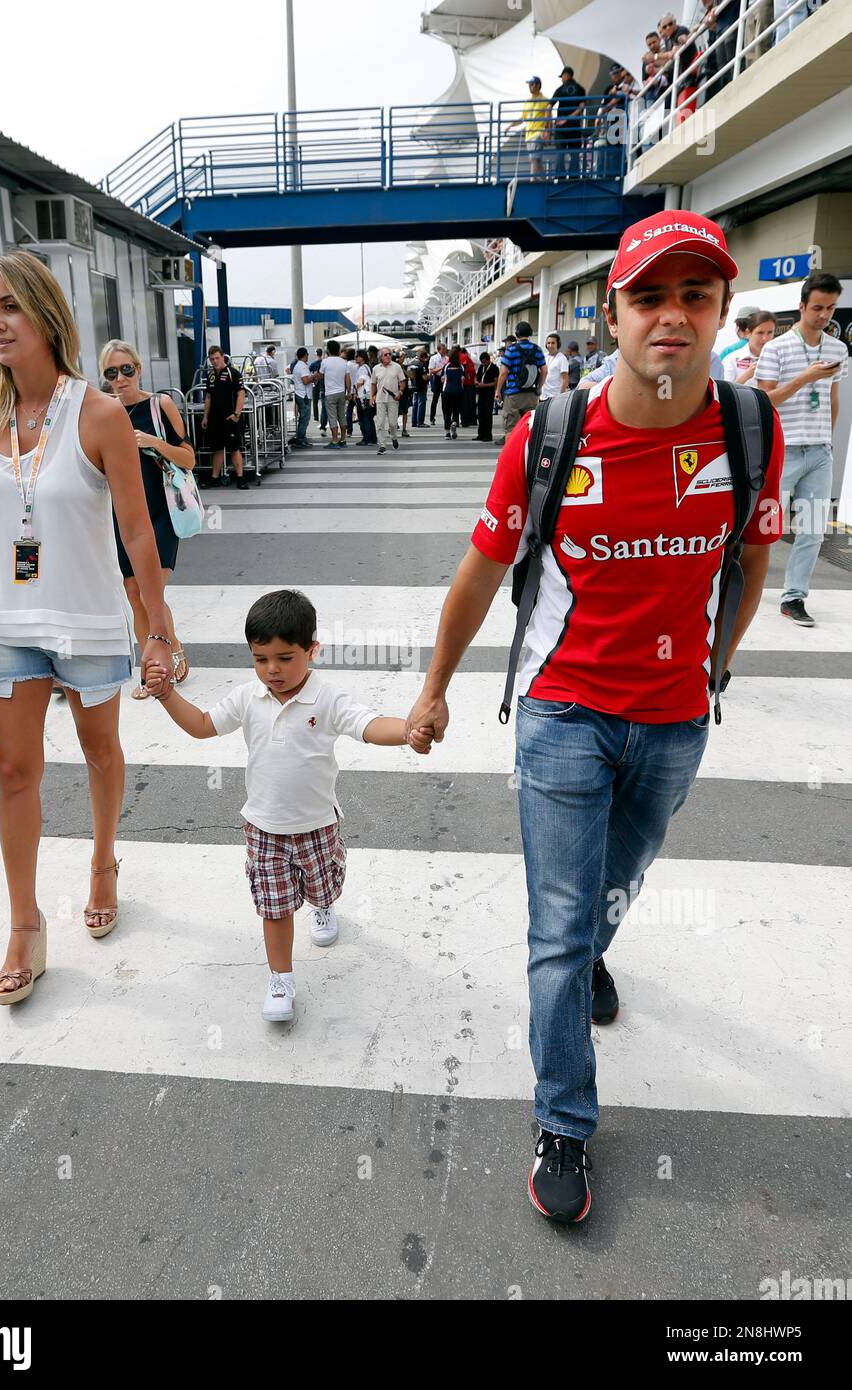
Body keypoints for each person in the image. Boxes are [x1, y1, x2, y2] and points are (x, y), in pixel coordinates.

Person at [405, 208, 783, 1225]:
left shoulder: (751, 426)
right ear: (612, 313)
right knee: (559, 929)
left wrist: (717, 669)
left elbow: (749, 564)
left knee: (619, 880)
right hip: (563, 711)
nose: (672, 317)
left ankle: (593, 950)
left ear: (720, 313)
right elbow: (482, 570)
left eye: (694, 297)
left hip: (674, 718)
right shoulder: (550, 436)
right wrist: (436, 685)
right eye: (650, 297)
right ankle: (564, 1120)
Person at [0, 251, 175, 1002]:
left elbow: (137, 535)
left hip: (91, 619)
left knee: (101, 753)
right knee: (14, 773)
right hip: (7, 617)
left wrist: (157, 629)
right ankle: (25, 925)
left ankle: (102, 861)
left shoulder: (99, 414)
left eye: (10, 307)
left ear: (43, 313)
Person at [144, 589, 415, 1022]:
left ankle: (324, 906)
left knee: (322, 888)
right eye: (260, 658)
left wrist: (409, 730)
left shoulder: (327, 699)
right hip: (264, 828)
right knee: (274, 907)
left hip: (318, 826)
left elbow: (368, 725)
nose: (272, 670)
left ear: (312, 650)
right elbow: (201, 726)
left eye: (286, 658)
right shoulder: (247, 698)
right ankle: (281, 979)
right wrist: (166, 695)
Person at [101, 339, 194, 698]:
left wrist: (153, 442)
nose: (120, 378)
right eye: (112, 372)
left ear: (138, 369)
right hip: (122, 515)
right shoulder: (102, 411)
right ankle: (159, 660)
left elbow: (187, 457)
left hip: (162, 511)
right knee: (133, 593)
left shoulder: (160, 405)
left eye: (127, 369)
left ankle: (162, 666)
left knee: (148, 590)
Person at [756, 271, 848, 627]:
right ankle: (742, 583)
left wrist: (826, 439)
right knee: (765, 527)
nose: (824, 315)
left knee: (812, 528)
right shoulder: (776, 348)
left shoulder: (837, 348)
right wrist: (804, 378)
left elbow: (833, 400)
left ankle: (794, 596)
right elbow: (765, 401)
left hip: (818, 452)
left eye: (831, 308)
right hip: (783, 451)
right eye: (818, 307)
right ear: (801, 306)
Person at [202, 346, 248, 490]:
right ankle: (215, 478)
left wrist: (236, 414)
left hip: (230, 418)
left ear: (223, 357)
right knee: (217, 448)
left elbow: (241, 393)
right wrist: (205, 417)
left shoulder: (232, 373)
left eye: (217, 358)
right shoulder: (211, 376)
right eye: (212, 359)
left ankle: (241, 478)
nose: (215, 361)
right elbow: (208, 396)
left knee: (234, 448)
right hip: (215, 418)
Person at [495, 320, 547, 437]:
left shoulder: (511, 350)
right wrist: (539, 387)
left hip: (514, 395)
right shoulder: (537, 349)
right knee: (530, 428)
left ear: (517, 334)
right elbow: (544, 370)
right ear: (530, 333)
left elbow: (503, 373)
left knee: (511, 429)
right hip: (532, 394)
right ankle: (527, 454)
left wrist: (498, 390)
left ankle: (511, 455)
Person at [505, 76, 550, 177]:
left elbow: (549, 117)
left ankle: (532, 181)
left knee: (533, 159)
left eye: (532, 84)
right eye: (529, 84)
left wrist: (548, 132)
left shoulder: (545, 100)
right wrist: (510, 125)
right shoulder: (528, 101)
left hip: (538, 133)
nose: (530, 86)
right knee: (536, 160)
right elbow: (523, 118)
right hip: (529, 134)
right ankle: (545, 181)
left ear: (538, 85)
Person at [549, 66, 587, 176]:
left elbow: (549, 107)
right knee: (574, 154)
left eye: (562, 76)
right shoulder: (580, 88)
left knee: (560, 152)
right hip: (574, 126)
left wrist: (550, 125)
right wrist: (570, 118)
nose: (561, 79)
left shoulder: (560, 89)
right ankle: (573, 176)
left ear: (567, 75)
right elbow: (581, 107)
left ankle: (559, 176)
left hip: (561, 127)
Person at [725, 310, 776, 386]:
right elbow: (724, 393)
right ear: (747, 333)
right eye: (760, 333)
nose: (765, 338)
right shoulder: (732, 359)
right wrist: (745, 376)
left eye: (770, 332)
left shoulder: (780, 359)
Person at [370, 347, 405, 455]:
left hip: (393, 399)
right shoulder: (376, 368)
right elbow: (373, 384)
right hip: (380, 399)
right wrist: (372, 397)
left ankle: (393, 437)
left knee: (393, 423)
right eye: (385, 354)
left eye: (389, 354)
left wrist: (400, 392)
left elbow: (402, 381)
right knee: (380, 424)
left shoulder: (397, 367)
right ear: (380, 357)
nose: (388, 356)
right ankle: (382, 445)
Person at [320, 340, 352, 450]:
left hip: (330, 393)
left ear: (328, 349)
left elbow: (321, 375)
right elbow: (347, 378)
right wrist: (349, 392)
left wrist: (315, 377)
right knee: (342, 416)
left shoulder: (325, 362)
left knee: (332, 417)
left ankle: (334, 441)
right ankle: (343, 440)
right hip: (341, 393)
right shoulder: (344, 362)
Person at [291, 347, 317, 448]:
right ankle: (300, 439)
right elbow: (305, 381)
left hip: (301, 393)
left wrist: (313, 378)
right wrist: (314, 376)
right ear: (305, 355)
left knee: (304, 418)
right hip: (304, 395)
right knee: (304, 418)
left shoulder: (299, 365)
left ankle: (302, 438)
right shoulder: (302, 366)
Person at [440, 347, 465, 440]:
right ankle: (454, 423)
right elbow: (463, 379)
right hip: (458, 391)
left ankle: (447, 433)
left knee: (447, 412)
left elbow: (442, 379)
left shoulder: (446, 366)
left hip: (447, 391)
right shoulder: (461, 367)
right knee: (456, 411)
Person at [353, 350, 376, 446]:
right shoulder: (367, 367)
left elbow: (360, 382)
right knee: (369, 417)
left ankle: (366, 438)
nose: (356, 358)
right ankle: (372, 438)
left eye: (357, 356)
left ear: (362, 357)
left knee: (363, 418)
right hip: (368, 395)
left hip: (363, 396)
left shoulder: (362, 368)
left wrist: (356, 393)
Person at [475, 351, 499, 442]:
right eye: (482, 362)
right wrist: (477, 382)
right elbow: (477, 377)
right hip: (481, 393)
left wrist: (483, 385)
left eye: (485, 362)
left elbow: (495, 382)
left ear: (489, 360)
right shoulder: (481, 367)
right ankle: (480, 434)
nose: (483, 364)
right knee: (480, 414)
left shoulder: (494, 368)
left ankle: (488, 435)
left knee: (487, 415)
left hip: (488, 393)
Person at [541, 332, 569, 399]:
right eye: (548, 343)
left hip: (555, 396)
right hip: (543, 395)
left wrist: (561, 396)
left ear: (558, 344)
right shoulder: (544, 356)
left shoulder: (562, 358)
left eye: (553, 343)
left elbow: (565, 379)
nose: (550, 345)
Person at [427, 343, 447, 424]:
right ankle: (432, 418)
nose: (444, 351)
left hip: (445, 379)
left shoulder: (447, 358)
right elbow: (431, 370)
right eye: (443, 349)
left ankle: (446, 418)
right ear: (439, 350)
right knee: (435, 399)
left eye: (445, 349)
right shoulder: (434, 358)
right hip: (437, 378)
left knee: (445, 399)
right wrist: (441, 368)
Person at [459, 345, 478, 427]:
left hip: (465, 383)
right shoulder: (467, 358)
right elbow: (472, 370)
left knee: (465, 403)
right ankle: (472, 420)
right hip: (470, 382)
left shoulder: (461, 357)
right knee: (471, 402)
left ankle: (466, 420)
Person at [411, 350, 430, 428]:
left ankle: (414, 422)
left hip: (414, 385)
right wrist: (430, 375)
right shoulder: (422, 365)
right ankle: (420, 422)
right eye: (425, 358)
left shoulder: (413, 364)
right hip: (421, 386)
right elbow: (425, 377)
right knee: (421, 403)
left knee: (415, 404)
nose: (426, 360)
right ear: (422, 357)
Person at [311, 347, 326, 434]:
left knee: (315, 401)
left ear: (316, 354)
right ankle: (322, 418)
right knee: (324, 404)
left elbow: (310, 372)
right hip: (323, 384)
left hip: (315, 384)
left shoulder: (313, 363)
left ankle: (316, 417)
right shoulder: (324, 362)